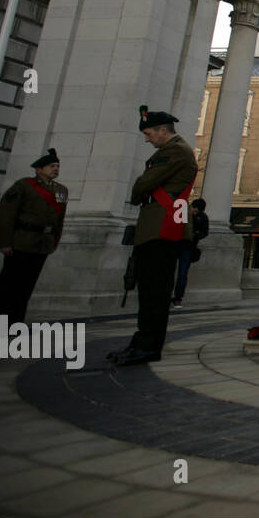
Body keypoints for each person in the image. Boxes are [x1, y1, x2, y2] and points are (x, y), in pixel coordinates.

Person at [108, 106, 197, 366]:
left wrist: (137, 191)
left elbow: (144, 184)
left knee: (155, 290)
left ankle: (148, 344)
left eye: (149, 133)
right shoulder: (172, 151)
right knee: (149, 288)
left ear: (162, 130)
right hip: (158, 223)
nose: (147, 139)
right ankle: (143, 340)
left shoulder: (174, 151)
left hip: (162, 225)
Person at [0, 149, 68, 323]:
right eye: (51, 166)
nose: (55, 169)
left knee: (26, 287)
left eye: (57, 166)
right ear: (39, 169)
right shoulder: (24, 186)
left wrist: (54, 241)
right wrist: (5, 242)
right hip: (22, 241)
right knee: (9, 286)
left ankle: (16, 322)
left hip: (42, 244)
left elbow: (59, 219)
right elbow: (6, 214)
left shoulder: (61, 190)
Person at [172, 197, 209, 309]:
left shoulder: (202, 217)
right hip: (176, 244)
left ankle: (178, 298)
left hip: (189, 247)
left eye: (197, 211)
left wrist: (196, 235)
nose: (194, 212)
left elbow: (205, 232)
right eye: (194, 209)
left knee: (182, 274)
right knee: (169, 271)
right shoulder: (182, 213)